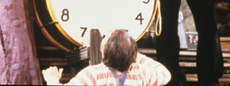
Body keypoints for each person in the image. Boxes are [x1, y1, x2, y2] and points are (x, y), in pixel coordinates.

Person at [42, 29, 171, 85]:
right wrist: (135, 56)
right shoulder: (140, 72)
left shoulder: (93, 73)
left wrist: (52, 79)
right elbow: (165, 74)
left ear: (104, 51)